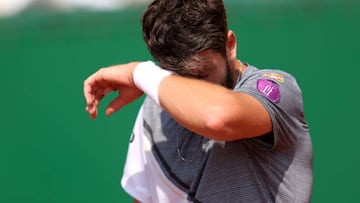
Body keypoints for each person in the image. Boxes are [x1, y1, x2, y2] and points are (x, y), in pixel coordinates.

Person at [83, 0, 313, 202]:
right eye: (176, 77)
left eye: (202, 74)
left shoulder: (278, 90)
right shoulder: (154, 109)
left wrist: (140, 74)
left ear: (229, 45)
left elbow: (218, 118)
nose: (191, 87)